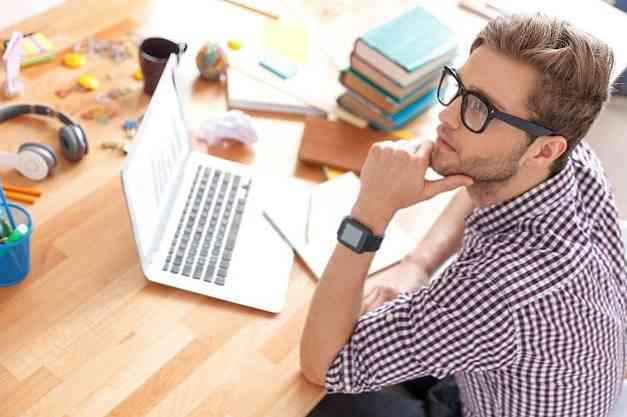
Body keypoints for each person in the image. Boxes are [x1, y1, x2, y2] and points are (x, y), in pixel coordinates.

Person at [300, 13, 627, 417]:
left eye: (480, 109)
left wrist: (369, 213)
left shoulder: (498, 289)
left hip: (479, 403)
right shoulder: (567, 162)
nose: (447, 117)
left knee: (313, 400)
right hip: (522, 374)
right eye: (459, 88)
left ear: (544, 150)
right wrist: (418, 263)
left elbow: (324, 364)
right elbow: (488, 178)